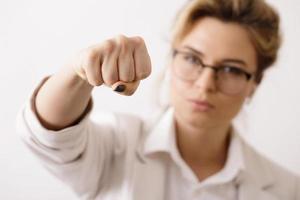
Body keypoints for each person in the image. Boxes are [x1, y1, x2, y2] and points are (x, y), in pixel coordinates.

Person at [16, 0, 300, 199]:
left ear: (254, 83)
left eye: (231, 69)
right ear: (172, 58)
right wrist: (77, 72)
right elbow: (49, 138)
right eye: (192, 59)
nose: (205, 84)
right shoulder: (115, 144)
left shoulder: (288, 191)